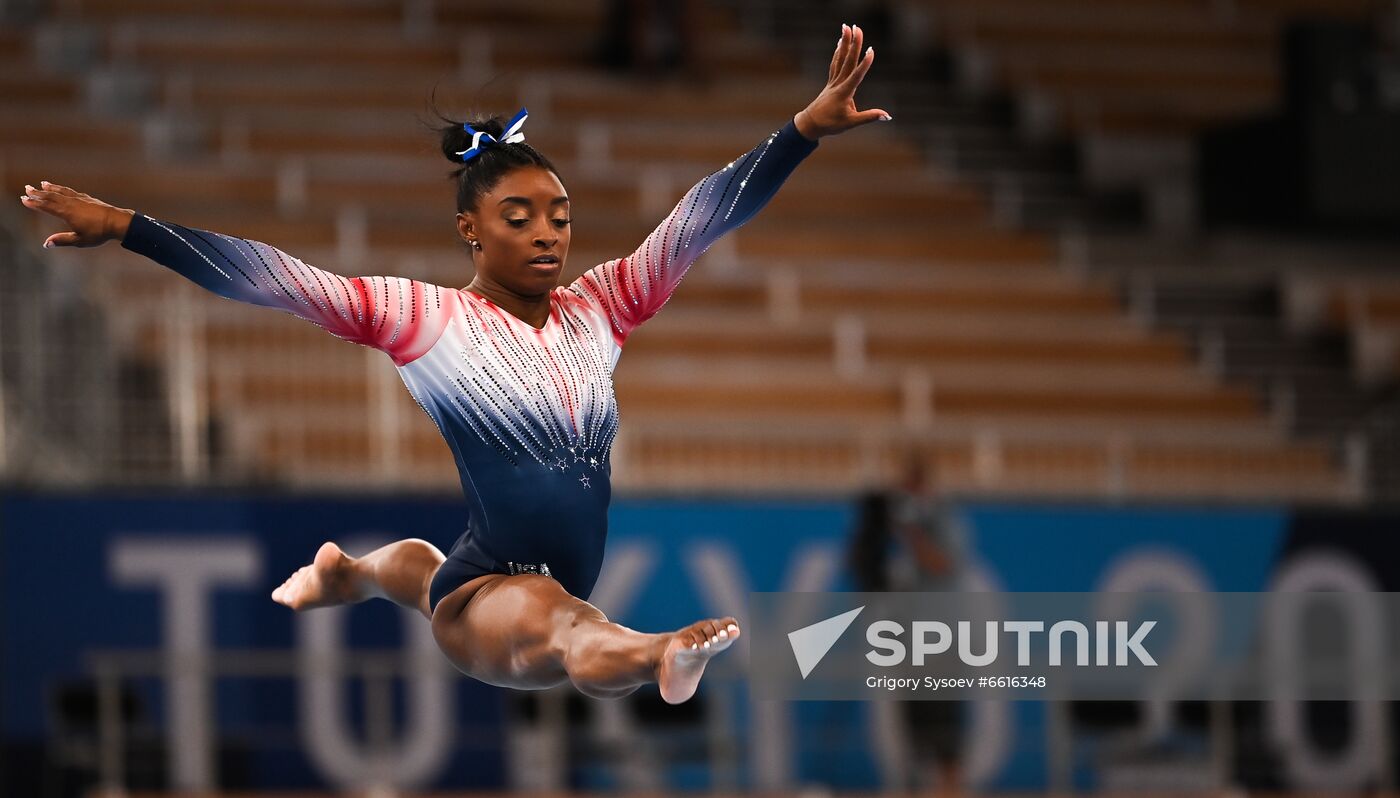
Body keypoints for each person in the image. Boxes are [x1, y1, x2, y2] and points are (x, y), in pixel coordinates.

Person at [20, 25, 891, 704]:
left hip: (479, 567)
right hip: (494, 607)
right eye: (520, 217)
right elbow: (272, 279)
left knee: (423, 567)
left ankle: (349, 573)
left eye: (560, 214)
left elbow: (699, 219)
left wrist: (801, 131)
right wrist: (130, 226)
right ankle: (657, 650)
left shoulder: (603, 307)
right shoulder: (425, 320)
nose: (548, 232)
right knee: (564, 624)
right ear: (471, 230)